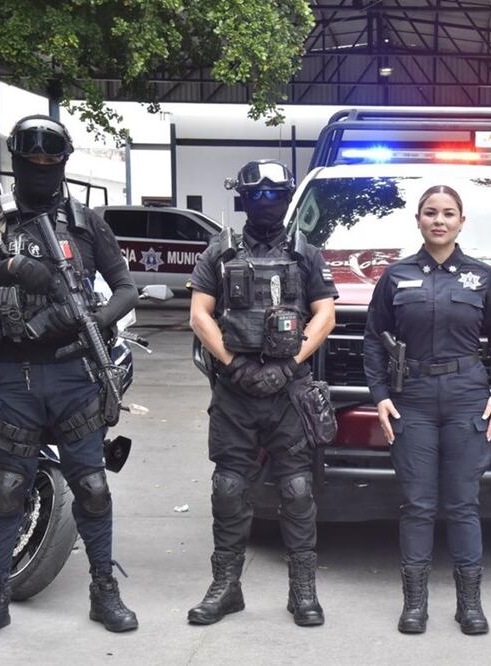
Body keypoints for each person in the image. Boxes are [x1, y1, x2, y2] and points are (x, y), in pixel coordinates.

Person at [0, 115, 139, 643]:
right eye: (30, 161)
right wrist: (8, 269)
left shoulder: (87, 221)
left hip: (76, 370)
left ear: (63, 162)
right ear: (16, 161)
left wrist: (95, 319)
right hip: (12, 373)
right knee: (7, 488)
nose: (39, 169)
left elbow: (126, 287)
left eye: (49, 160)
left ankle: (104, 591)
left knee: (93, 487)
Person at [187, 160, 337, 627]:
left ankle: (303, 593)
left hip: (289, 392)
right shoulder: (220, 250)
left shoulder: (305, 253)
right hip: (236, 391)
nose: (267, 202)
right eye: (258, 195)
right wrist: (234, 366)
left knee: (295, 490)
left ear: (288, 197)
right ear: (243, 199)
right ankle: (226, 588)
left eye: (277, 195)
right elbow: (199, 315)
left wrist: (289, 366)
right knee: (229, 488)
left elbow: (325, 315)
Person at [363, 185, 491, 635]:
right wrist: (380, 394)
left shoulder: (482, 278)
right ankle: (415, 605)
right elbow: (374, 338)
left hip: (468, 394)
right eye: (431, 213)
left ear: (462, 222)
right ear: (418, 219)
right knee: (418, 504)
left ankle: (469, 605)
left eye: (449, 213)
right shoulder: (395, 276)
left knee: (464, 503)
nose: (439, 221)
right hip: (413, 398)